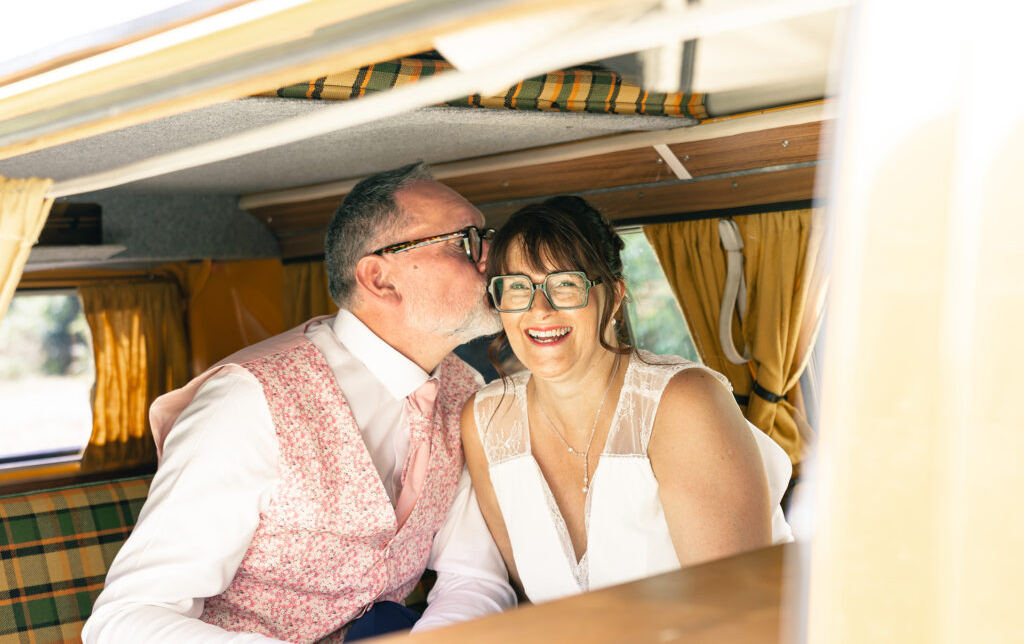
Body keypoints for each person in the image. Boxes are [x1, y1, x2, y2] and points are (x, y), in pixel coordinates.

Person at [83, 163, 516, 643]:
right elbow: (125, 620)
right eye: (465, 242)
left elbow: (473, 577)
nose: (495, 258)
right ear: (380, 279)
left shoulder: (465, 388)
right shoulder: (247, 401)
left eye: (488, 237)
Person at [461, 195, 794, 603]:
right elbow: (535, 605)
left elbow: (734, 605)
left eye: (565, 284)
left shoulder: (684, 403)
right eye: (517, 287)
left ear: (615, 295)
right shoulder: (485, 421)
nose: (540, 309)